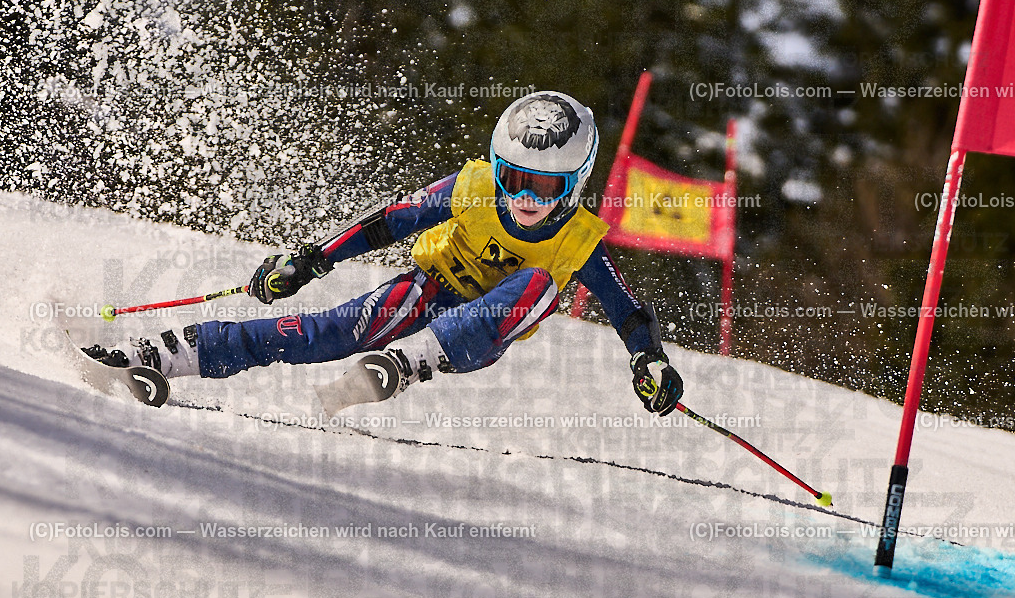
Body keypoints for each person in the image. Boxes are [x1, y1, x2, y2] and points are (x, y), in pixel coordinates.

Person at [85, 91, 683, 416]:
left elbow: (625, 310)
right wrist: (311, 260)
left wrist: (647, 360)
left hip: (477, 330)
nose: (526, 198)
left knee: (541, 286)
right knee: (317, 333)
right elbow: (390, 222)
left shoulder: (579, 239)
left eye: (547, 186)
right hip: (425, 289)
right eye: (515, 178)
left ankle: (411, 362)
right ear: (497, 168)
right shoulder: (472, 187)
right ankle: (163, 354)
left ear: (574, 184)